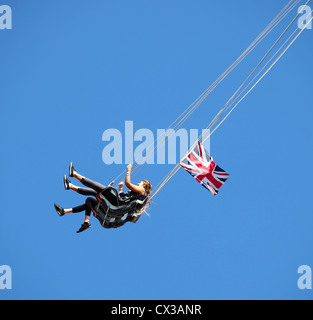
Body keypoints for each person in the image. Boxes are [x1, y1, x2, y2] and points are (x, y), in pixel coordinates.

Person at [54, 163, 152, 233]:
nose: (139, 183)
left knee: (98, 187)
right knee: (91, 199)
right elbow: (123, 199)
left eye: (141, 183)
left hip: (115, 203)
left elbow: (128, 183)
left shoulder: (141, 191)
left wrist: (129, 170)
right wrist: (121, 189)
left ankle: (74, 174)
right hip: (115, 206)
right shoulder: (135, 197)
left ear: (144, 186)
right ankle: (67, 205)